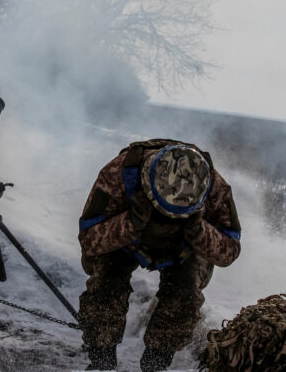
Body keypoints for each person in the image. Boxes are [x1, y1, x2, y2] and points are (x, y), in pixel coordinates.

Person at [77, 139, 242, 371]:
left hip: (184, 249)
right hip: (126, 241)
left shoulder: (214, 188)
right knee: (106, 286)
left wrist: (198, 230)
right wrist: (131, 222)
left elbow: (230, 251)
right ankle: (101, 360)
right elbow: (88, 240)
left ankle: (156, 363)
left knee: (184, 298)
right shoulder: (118, 174)